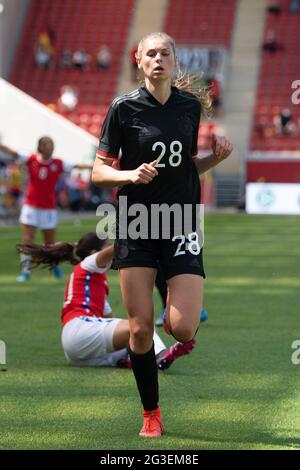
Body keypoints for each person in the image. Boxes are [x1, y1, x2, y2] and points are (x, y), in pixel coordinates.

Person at [92, 32, 233, 437]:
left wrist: (214, 157)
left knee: (184, 328)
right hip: (137, 223)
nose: (157, 59)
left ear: (174, 61)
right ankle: (151, 412)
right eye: (150, 53)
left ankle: (172, 297)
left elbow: (186, 167)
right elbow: (98, 172)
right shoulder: (122, 108)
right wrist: (129, 174)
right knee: (139, 329)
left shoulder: (190, 108)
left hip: (182, 221)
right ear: (139, 60)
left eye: (164, 53)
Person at [16, 233, 195, 369]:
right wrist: (141, 232)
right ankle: (162, 355)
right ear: (95, 252)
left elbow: (110, 321)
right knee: (142, 325)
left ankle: (130, 360)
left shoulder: (96, 281)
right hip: (80, 328)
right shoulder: (89, 262)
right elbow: (119, 246)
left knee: (134, 337)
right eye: (106, 245)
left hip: (77, 349)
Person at [0, 137, 93, 282]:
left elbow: (78, 165)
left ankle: (55, 265)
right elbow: (11, 152)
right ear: (41, 147)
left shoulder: (59, 163)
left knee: (50, 243)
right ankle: (25, 271)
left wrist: (99, 164)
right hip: (30, 206)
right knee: (28, 241)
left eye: (52, 145)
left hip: (48, 209)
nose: (51, 148)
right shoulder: (30, 158)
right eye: (48, 145)